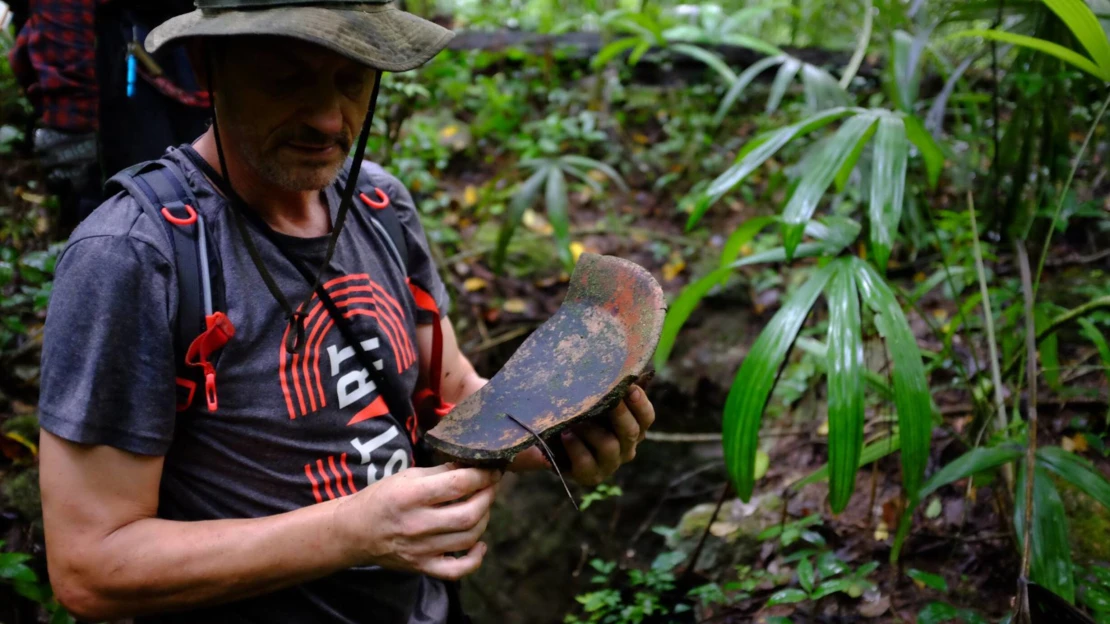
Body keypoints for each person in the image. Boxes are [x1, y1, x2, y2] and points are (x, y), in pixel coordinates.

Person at [35, 2, 657, 623]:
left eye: (352, 78)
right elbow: (91, 566)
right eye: (288, 77)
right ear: (208, 64)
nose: (329, 117)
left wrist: (550, 430)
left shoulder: (379, 205)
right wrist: (352, 532)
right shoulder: (135, 258)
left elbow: (452, 393)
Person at [9, 0, 209, 230]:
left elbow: (64, 11)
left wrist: (70, 122)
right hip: (135, 61)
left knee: (151, 211)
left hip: (133, 65)